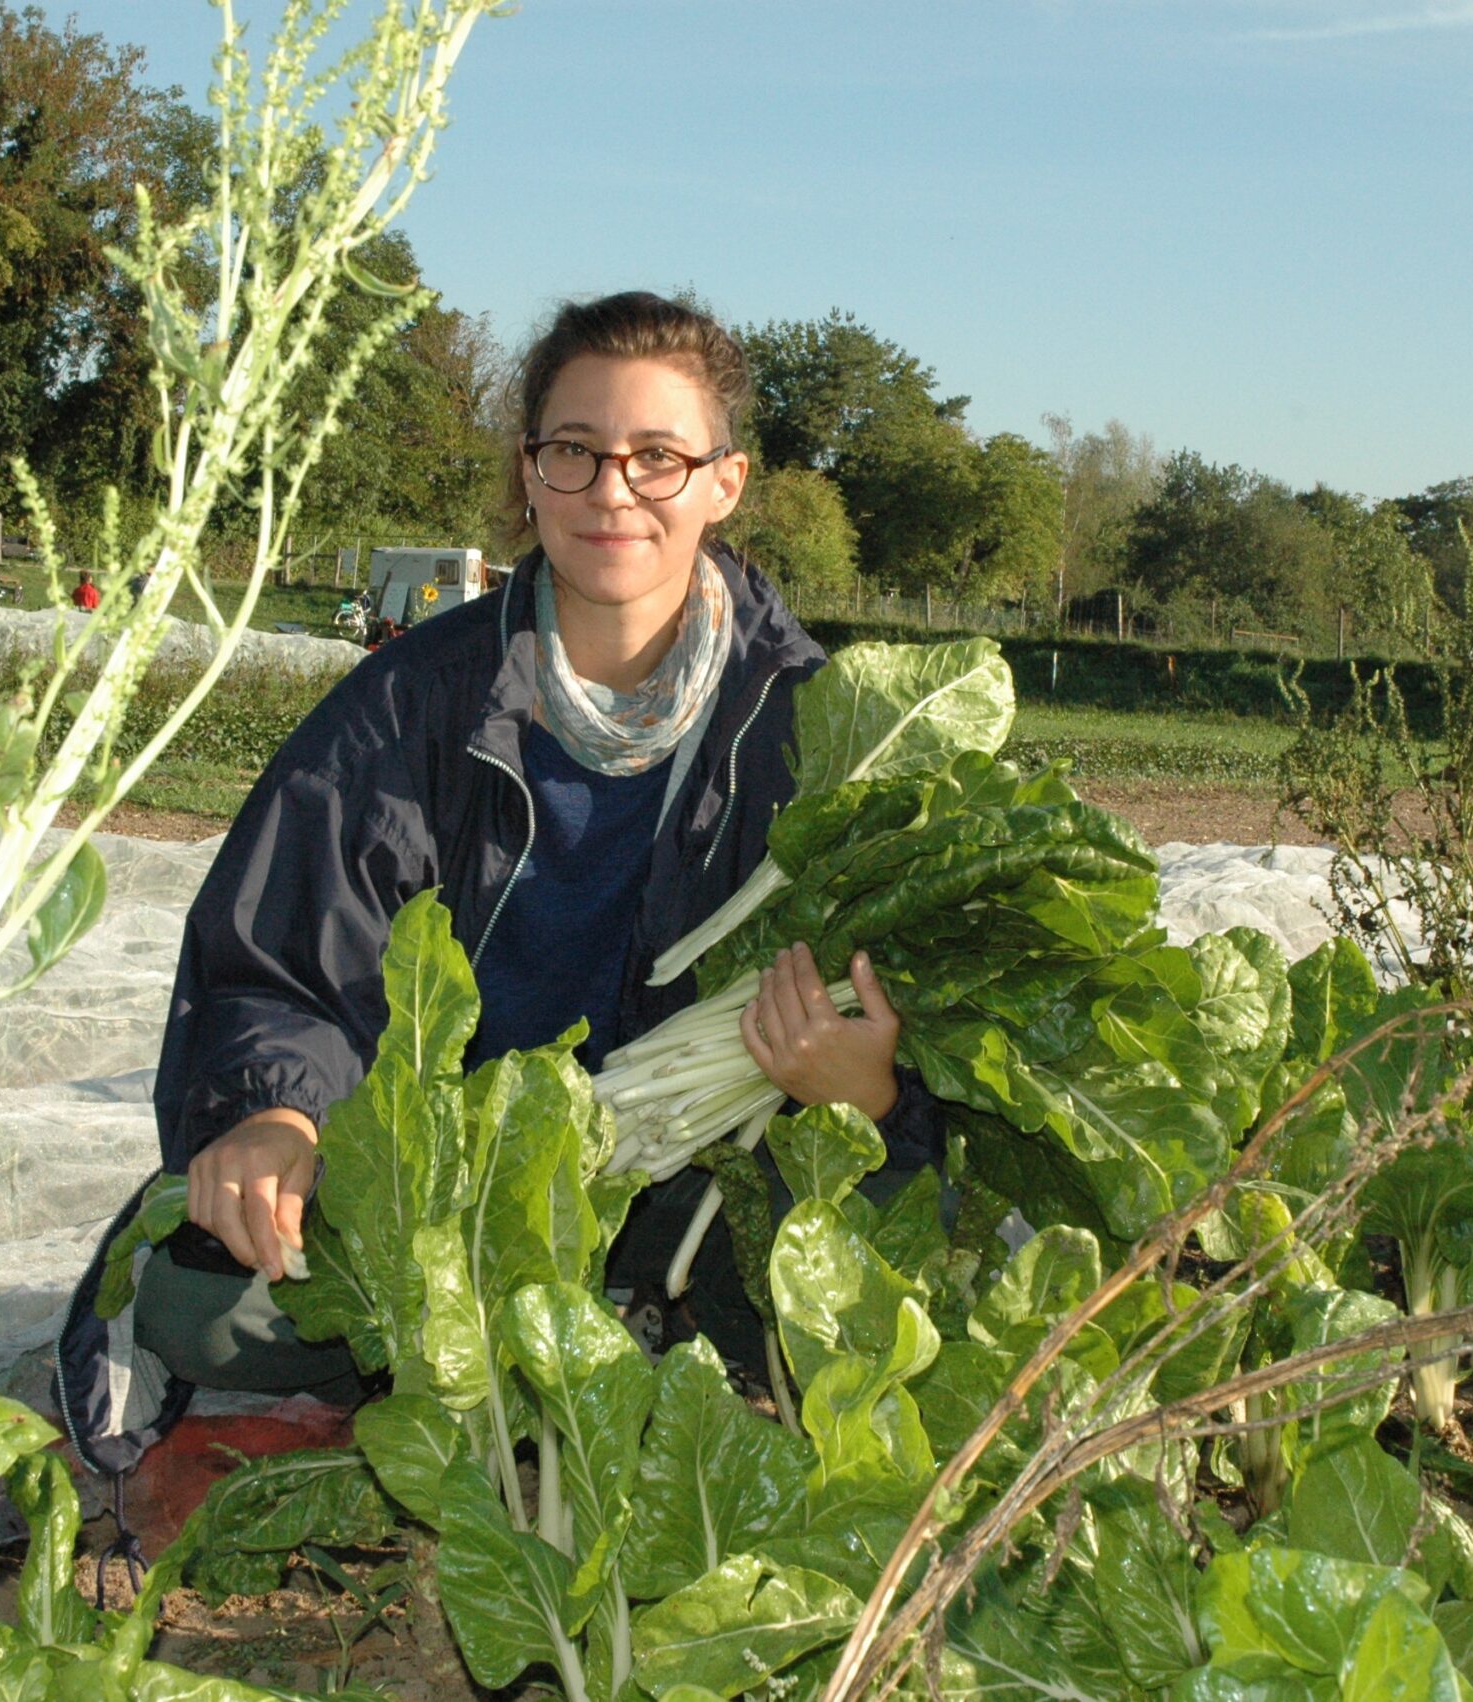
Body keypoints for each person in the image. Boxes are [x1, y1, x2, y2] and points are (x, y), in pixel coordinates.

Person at [56, 292, 940, 1469]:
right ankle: (567, 1356)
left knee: (853, 1285)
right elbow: (279, 960)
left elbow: (929, 1029)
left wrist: (868, 1091)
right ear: (528, 474)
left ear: (723, 482)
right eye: (574, 453)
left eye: (658, 458)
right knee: (202, 1306)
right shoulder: (414, 704)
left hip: (684, 1189)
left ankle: (606, 1337)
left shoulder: (815, 733)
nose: (612, 492)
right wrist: (275, 1110)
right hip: (449, 1192)